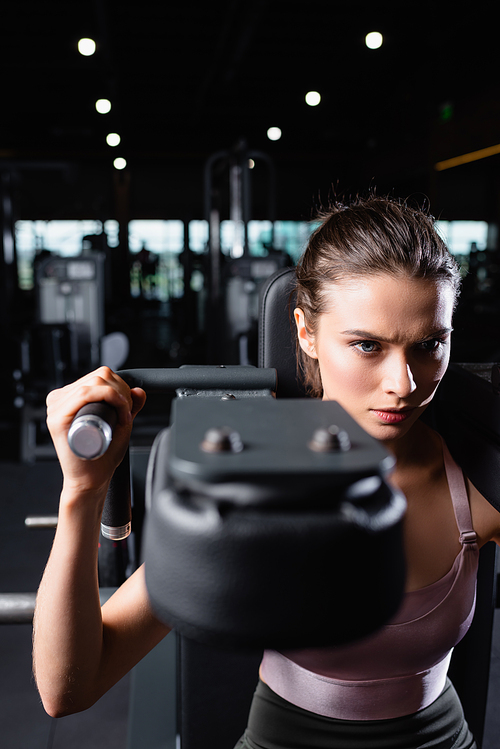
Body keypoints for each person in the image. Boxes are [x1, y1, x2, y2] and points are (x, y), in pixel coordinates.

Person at [32, 195, 500, 749]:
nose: (404, 382)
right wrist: (82, 493)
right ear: (305, 333)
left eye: (429, 346)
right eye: (367, 346)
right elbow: (70, 688)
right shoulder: (253, 485)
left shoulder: (475, 481)